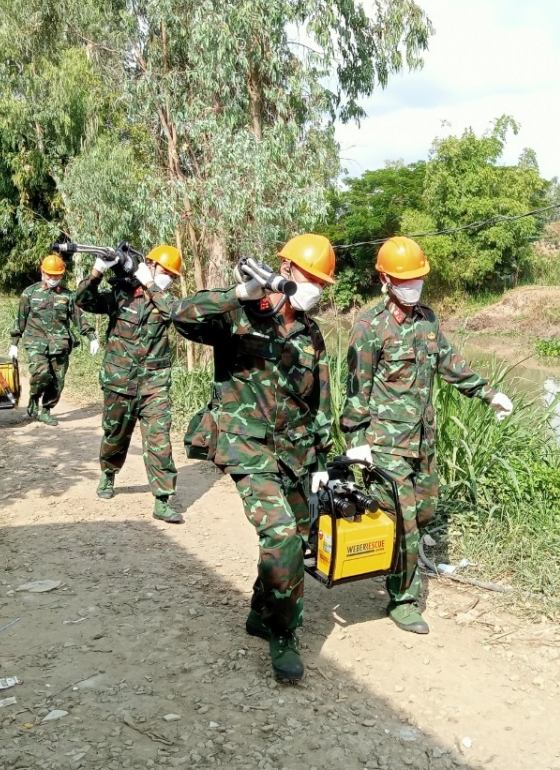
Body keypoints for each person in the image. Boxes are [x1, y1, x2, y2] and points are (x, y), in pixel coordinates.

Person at [172, 233, 335, 683]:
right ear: (285, 271)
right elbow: (181, 316)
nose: (317, 288)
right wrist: (238, 293)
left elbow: (317, 401)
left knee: (299, 536)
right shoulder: (239, 317)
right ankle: (284, 634)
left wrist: (323, 460)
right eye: (311, 277)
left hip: (297, 451)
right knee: (280, 534)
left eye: (323, 282)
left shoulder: (310, 332)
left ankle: (261, 611)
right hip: (246, 445)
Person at [341, 236, 512, 635]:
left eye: (418, 277)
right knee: (404, 521)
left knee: (425, 511)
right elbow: (356, 391)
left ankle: (396, 561)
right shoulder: (369, 328)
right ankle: (402, 599)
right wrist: (357, 441)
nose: (413, 285)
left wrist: (489, 394)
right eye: (405, 278)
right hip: (386, 446)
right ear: (384, 278)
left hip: (423, 441)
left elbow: (451, 365)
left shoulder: (428, 320)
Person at [76, 244, 184, 522]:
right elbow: (83, 301)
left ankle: (162, 499)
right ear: (150, 264)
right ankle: (108, 473)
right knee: (115, 435)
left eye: (172, 275)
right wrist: (98, 271)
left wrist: (149, 282)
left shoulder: (165, 300)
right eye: (165, 271)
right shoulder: (120, 296)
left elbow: (173, 313)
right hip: (119, 380)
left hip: (154, 385)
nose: (168, 278)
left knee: (159, 440)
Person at [9, 254, 98, 426]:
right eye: (49, 275)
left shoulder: (68, 296)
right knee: (41, 374)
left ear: (62, 275)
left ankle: (46, 410)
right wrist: (14, 343)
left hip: (60, 343)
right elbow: (20, 319)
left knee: (58, 380)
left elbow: (79, 318)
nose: (52, 279)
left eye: (56, 276)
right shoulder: (29, 293)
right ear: (42, 272)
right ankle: (34, 397)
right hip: (36, 342)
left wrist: (91, 336)